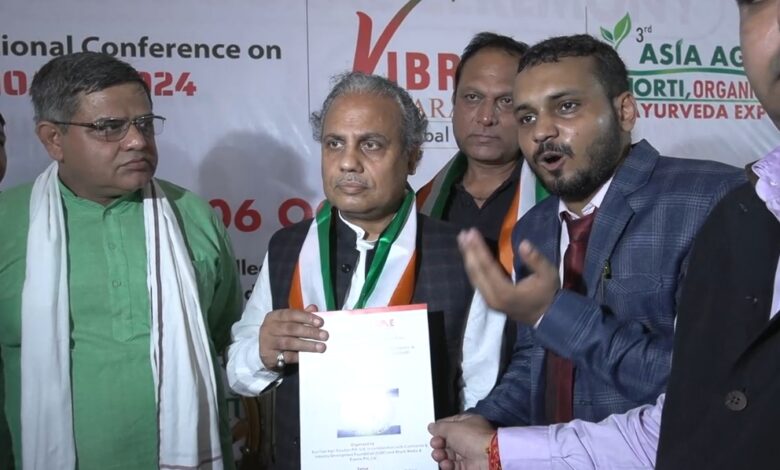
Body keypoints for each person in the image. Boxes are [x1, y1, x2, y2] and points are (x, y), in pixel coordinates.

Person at [429, 3, 779, 467]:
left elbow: (716, 390)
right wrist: (481, 423)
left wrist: (555, 313)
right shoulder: (534, 226)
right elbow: (535, 362)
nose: (543, 131)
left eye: (566, 107)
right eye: (527, 117)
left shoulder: (717, 200)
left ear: (625, 110)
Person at [226, 71, 493, 470]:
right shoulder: (286, 247)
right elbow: (238, 373)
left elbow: (484, 391)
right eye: (334, 144)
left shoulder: (465, 254)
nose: (348, 162)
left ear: (413, 157)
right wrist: (265, 352)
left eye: (371, 144)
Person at [0, 52, 242, 470]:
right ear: (53, 139)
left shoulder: (194, 216)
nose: (137, 141)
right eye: (109, 127)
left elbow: (225, 332)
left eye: (145, 124)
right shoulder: (8, 222)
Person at [417, 32, 536, 398]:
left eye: (505, 101)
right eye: (472, 98)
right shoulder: (418, 207)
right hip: (433, 400)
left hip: (533, 403)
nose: (485, 117)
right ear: (452, 104)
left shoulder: (561, 205)